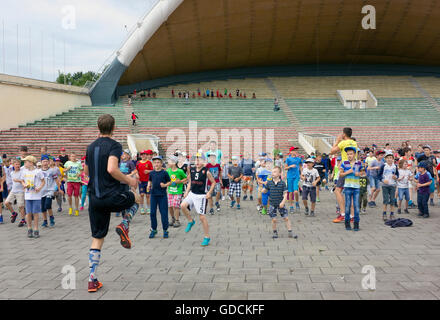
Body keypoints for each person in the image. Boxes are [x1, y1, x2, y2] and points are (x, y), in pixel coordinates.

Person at [85, 114, 140, 292]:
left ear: (98, 127)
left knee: (97, 238)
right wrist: (129, 181)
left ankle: (92, 280)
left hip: (94, 199)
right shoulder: (114, 145)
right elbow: (111, 168)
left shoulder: (90, 147)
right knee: (136, 198)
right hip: (112, 196)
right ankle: (125, 224)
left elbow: (86, 172)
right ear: (114, 127)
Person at [181, 153, 216, 246]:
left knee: (202, 217)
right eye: (196, 159)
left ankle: (207, 237)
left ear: (204, 161)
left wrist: (209, 192)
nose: (197, 161)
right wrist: (186, 192)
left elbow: (213, 182)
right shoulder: (192, 170)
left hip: (201, 196)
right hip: (192, 193)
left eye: (199, 159)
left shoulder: (206, 171)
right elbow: (189, 182)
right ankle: (190, 221)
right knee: (182, 206)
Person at [329, 127, 358, 223]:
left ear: (344, 134)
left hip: (345, 168)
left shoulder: (343, 143)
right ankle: (352, 216)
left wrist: (337, 141)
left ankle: (343, 214)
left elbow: (332, 151)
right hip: (354, 168)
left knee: (337, 191)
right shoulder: (354, 143)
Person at [262, 166, 297, 239]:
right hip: (272, 203)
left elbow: (285, 194)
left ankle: (290, 232)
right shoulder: (269, 183)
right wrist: (263, 189)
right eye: (272, 172)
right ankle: (275, 232)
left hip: (280, 203)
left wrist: (283, 202)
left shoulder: (282, 183)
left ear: (280, 174)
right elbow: (265, 190)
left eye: (275, 172)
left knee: (286, 218)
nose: (273, 173)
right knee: (274, 219)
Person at [147, 156, 171, 239]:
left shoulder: (164, 173)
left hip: (162, 196)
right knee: (152, 213)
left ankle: (165, 230)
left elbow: (169, 182)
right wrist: (148, 185)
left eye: (158, 162)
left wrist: (165, 185)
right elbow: (150, 180)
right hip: (153, 195)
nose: (156, 164)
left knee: (163, 213)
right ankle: (154, 229)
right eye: (155, 162)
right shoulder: (152, 173)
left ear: (161, 164)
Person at [22, 156, 45, 238]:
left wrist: (39, 188)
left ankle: (36, 229)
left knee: (35, 213)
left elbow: (43, 182)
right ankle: (29, 228)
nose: (24, 163)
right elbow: (22, 180)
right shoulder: (24, 171)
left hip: (36, 196)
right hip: (27, 195)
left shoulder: (38, 172)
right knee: (28, 213)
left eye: (26, 162)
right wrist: (24, 185)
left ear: (31, 163)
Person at [339, 147, 362, 231]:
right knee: (347, 205)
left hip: (356, 187)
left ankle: (356, 224)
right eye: (348, 154)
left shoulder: (358, 163)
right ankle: (347, 223)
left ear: (354, 154)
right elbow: (340, 174)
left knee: (356, 206)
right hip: (348, 187)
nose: (349, 155)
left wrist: (358, 173)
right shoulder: (344, 163)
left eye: (351, 154)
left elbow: (363, 173)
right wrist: (347, 172)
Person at [40, 156, 61, 228]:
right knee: (43, 208)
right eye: (44, 161)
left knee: (48, 205)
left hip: (50, 190)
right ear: (41, 162)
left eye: (46, 161)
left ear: (48, 162)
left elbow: (56, 180)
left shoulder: (52, 171)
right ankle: (45, 221)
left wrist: (58, 189)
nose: (45, 163)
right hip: (42, 191)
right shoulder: (39, 171)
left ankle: (51, 218)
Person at [166, 155, 187, 228]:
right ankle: (173, 218)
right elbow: (166, 179)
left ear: (174, 163)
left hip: (178, 191)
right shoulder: (168, 171)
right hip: (170, 191)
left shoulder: (180, 171)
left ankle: (177, 220)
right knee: (170, 206)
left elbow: (186, 178)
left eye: (170, 161)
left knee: (175, 206)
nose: (168, 163)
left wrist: (180, 181)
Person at [4, 159, 26, 226]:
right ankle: (14, 213)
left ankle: (23, 220)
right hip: (13, 190)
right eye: (16, 164)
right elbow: (12, 182)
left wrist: (18, 180)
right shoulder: (12, 173)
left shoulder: (22, 172)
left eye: (19, 164)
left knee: (21, 206)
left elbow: (24, 181)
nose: (18, 166)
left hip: (20, 191)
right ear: (13, 165)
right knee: (6, 203)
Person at [378, 152, 399, 221]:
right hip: (385, 185)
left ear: (393, 159)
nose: (389, 159)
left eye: (391, 158)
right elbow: (379, 175)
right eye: (388, 158)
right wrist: (383, 180)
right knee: (386, 199)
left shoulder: (395, 166)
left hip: (392, 185)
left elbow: (397, 175)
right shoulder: (383, 166)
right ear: (385, 159)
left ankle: (392, 214)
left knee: (392, 200)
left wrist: (395, 177)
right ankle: (384, 213)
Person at [285, 146, 302, 213]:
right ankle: (291, 206)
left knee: (295, 192)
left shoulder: (298, 159)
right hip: (289, 177)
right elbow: (285, 168)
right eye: (294, 150)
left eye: (296, 150)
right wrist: (290, 166)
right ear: (291, 152)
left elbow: (300, 166)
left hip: (296, 177)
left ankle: (297, 202)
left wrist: (301, 173)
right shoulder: (288, 159)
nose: (296, 151)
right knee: (291, 192)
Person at [136, 150, 154, 214]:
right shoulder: (138, 163)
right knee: (141, 194)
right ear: (140, 156)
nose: (143, 156)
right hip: (141, 181)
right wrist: (137, 175)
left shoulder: (149, 162)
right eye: (142, 154)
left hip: (148, 182)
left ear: (146, 155)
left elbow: (153, 170)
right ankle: (142, 208)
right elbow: (136, 171)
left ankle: (148, 208)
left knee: (148, 195)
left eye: (144, 154)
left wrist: (148, 171)